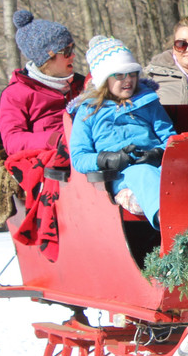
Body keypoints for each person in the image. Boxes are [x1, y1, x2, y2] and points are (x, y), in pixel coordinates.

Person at [70, 36, 176, 229]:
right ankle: (172, 226)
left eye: (132, 74)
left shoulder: (148, 102)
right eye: (119, 75)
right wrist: (108, 159)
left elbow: (170, 139)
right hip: (121, 175)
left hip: (157, 167)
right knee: (143, 174)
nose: (128, 80)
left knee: (174, 178)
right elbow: (79, 157)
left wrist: (157, 153)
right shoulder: (88, 111)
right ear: (104, 79)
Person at [0, 10, 85, 154]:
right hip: (53, 164)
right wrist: (56, 140)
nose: (73, 55)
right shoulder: (16, 94)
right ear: (46, 59)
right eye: (67, 51)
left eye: (72, 48)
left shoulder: (82, 84)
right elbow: (12, 140)